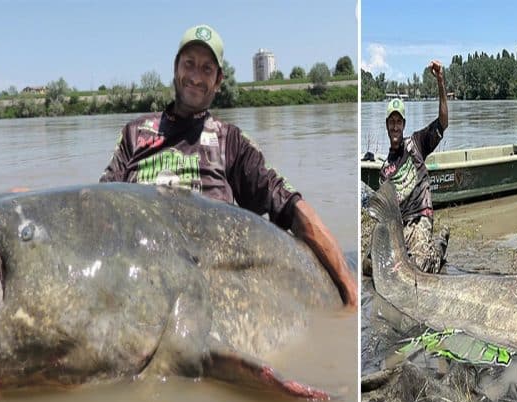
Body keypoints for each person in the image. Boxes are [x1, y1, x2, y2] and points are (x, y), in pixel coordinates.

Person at [99, 24, 357, 309]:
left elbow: (291, 206)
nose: (196, 77)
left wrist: (348, 286)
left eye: (207, 69)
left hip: (210, 286)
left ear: (219, 80)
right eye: (189, 64)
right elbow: (99, 210)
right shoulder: (134, 134)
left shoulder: (230, 140)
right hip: (140, 276)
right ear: (175, 69)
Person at [378, 60, 449, 273]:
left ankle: (439, 245)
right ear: (387, 125)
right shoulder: (384, 171)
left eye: (399, 122)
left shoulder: (416, 143)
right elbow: (387, 213)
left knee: (420, 267)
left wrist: (440, 82)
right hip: (401, 226)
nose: (395, 126)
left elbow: (443, 122)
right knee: (375, 267)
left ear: (404, 125)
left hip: (420, 217)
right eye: (392, 122)